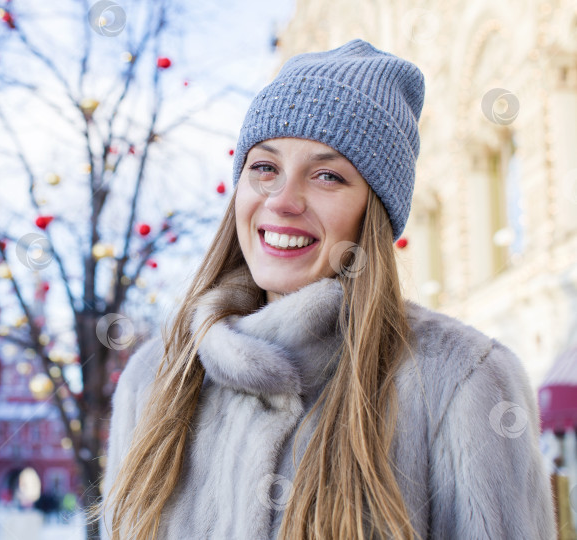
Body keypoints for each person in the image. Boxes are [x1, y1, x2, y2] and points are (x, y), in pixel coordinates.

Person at [92, 38, 556, 539]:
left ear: (373, 214)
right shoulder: (157, 376)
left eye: (328, 176)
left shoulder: (464, 383)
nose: (283, 200)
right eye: (264, 167)